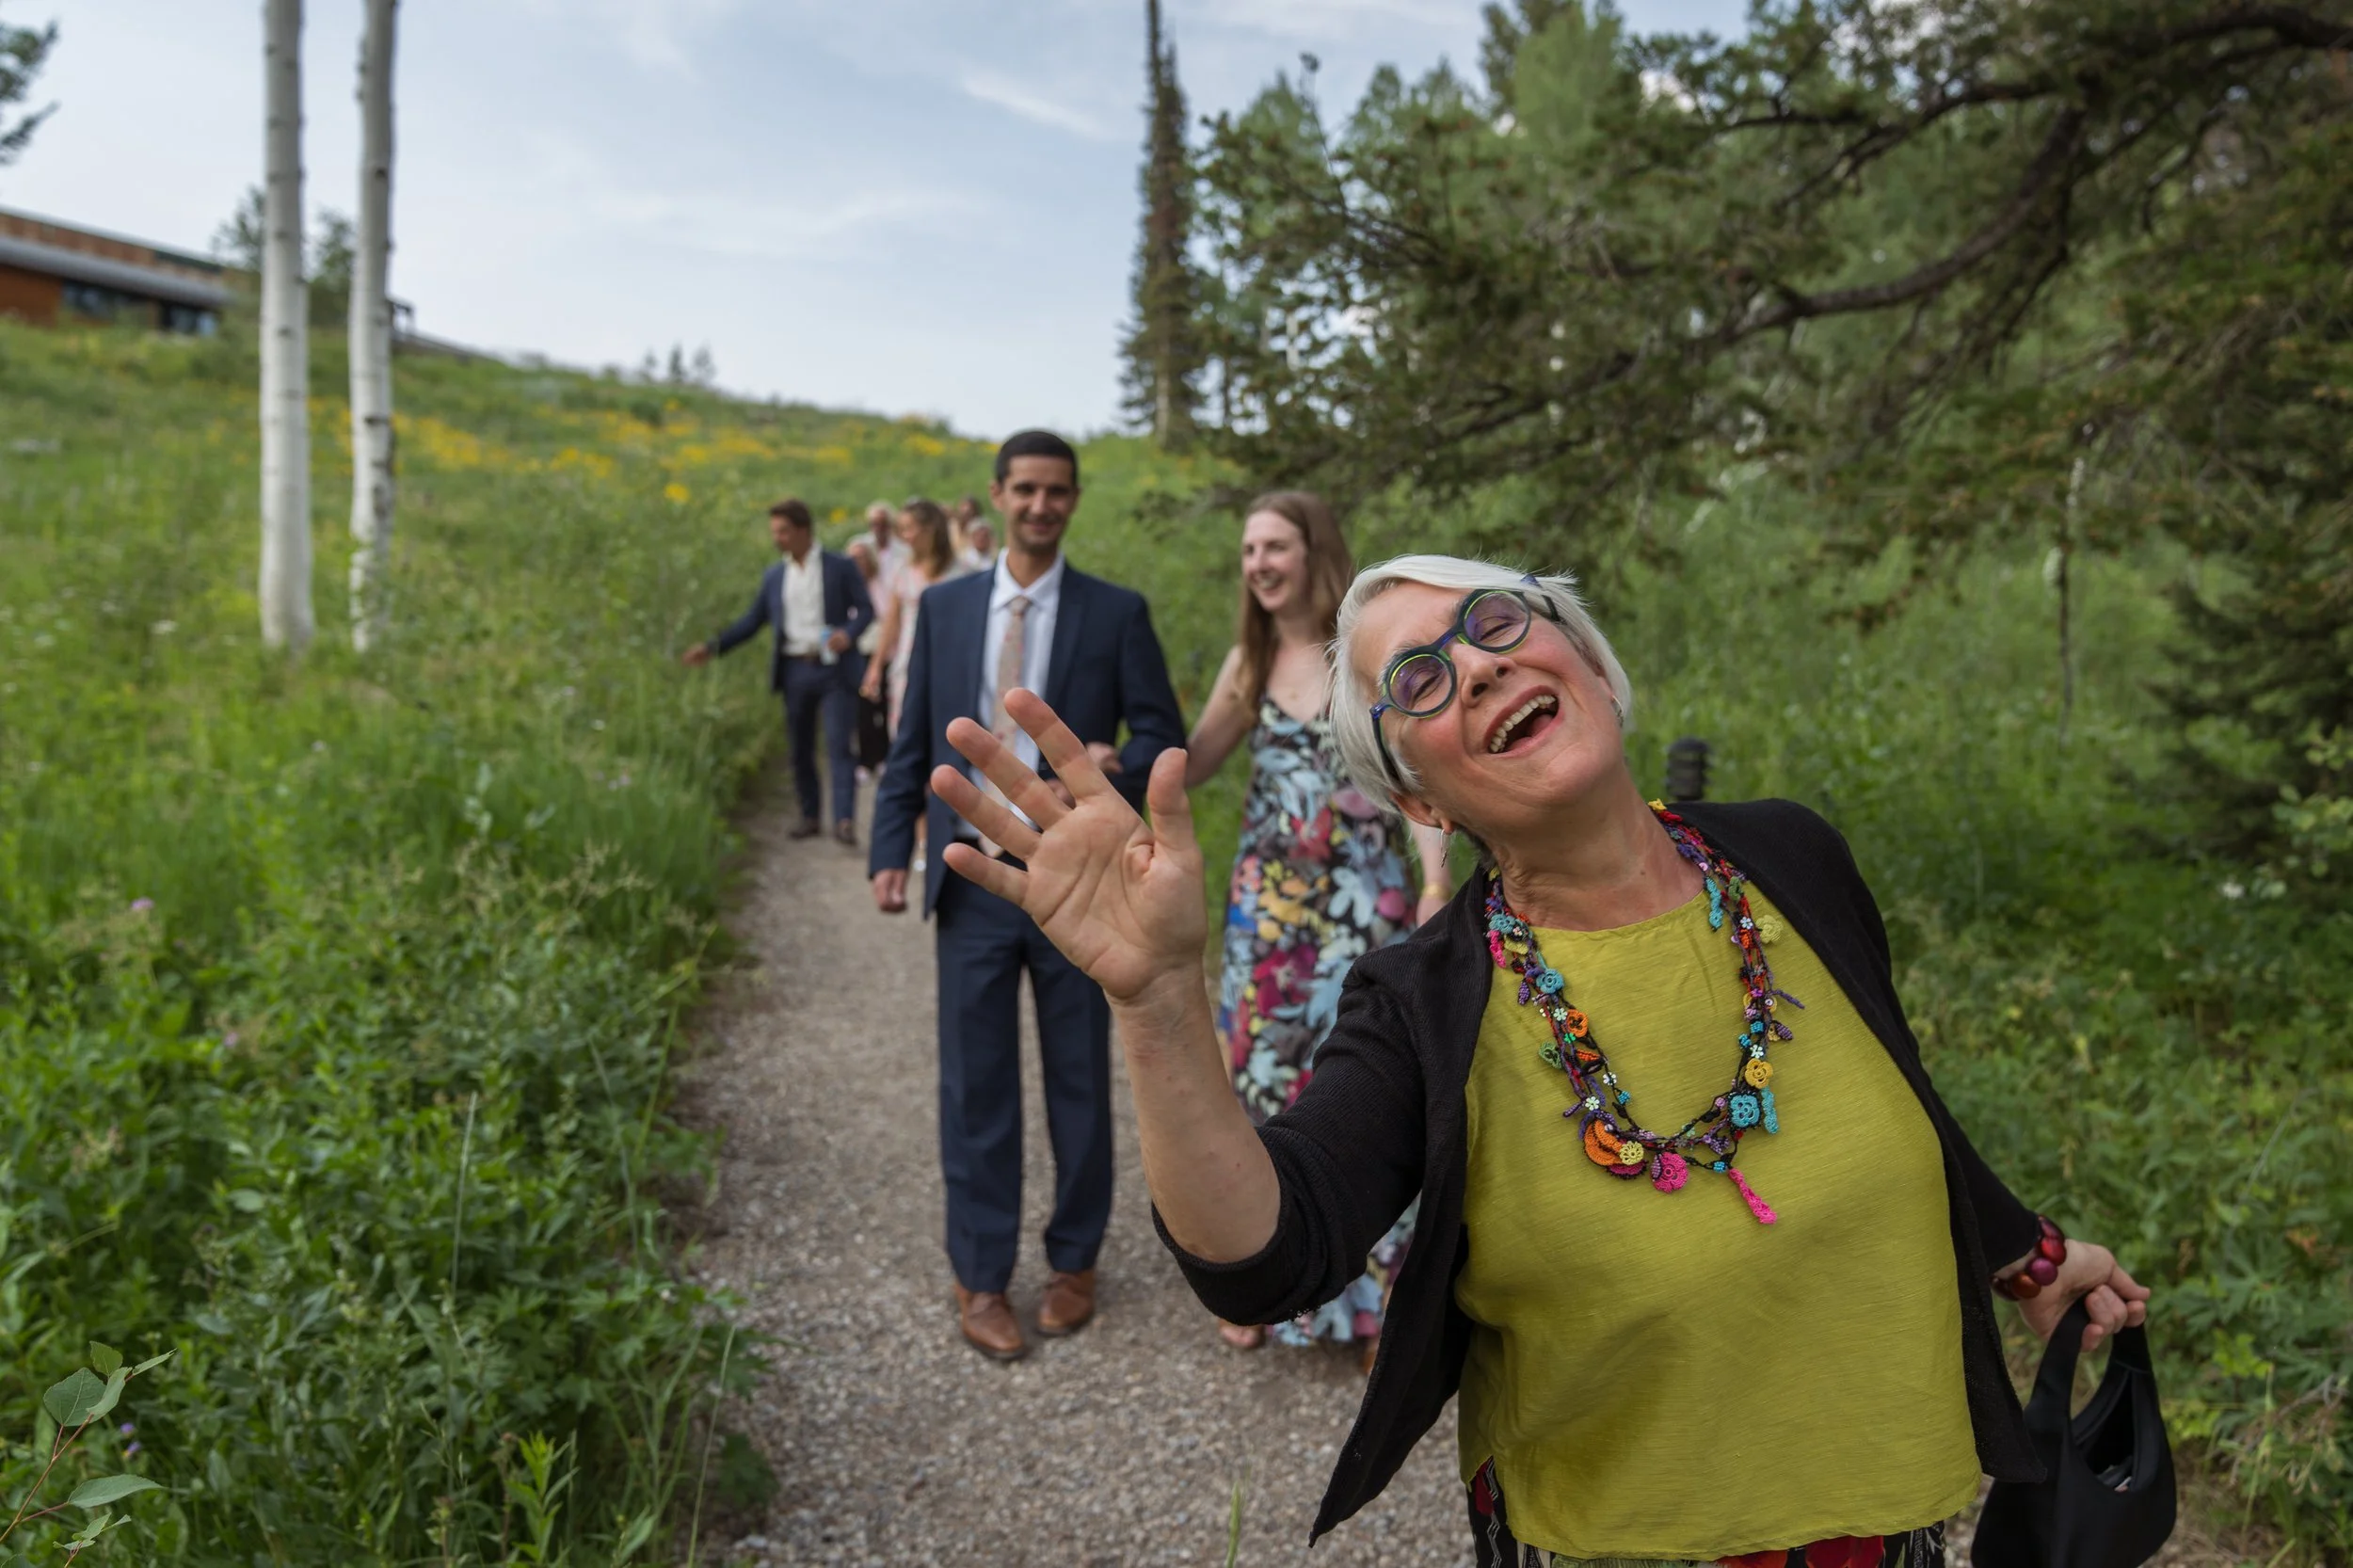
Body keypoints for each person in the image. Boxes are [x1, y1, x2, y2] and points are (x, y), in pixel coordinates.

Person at [919, 553, 2153, 1562]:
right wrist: (1156, 1002)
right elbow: (1267, 1260)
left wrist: (2028, 1255)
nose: (1474, 662)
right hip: (1612, 1542)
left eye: (1497, 619)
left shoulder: (1793, 855)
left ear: (1582, 659)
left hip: (1887, 1526)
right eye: (1416, 677)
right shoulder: (1425, 998)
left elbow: (1892, 1097)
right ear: (1422, 802)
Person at [868, 429, 1186, 1363]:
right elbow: (915, 734)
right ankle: (979, 1277)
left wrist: (1107, 761)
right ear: (997, 496)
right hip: (971, 881)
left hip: (1077, 889)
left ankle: (1075, 1260)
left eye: (1058, 491)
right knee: (974, 1087)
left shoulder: (1116, 611)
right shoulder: (946, 606)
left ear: (1074, 500)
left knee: (1080, 1080)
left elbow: (1160, 729)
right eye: (1026, 489)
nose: (1041, 504)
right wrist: (893, 844)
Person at [1181, 491, 1452, 1360]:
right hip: (1266, 914)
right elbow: (1189, 764)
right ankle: (1264, 1282)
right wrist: (1108, 762)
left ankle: (1377, 1302)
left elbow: (1409, 775)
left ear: (1313, 551)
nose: (1257, 563)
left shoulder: (1364, 660)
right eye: (1248, 550)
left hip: (1358, 904)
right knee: (1260, 1088)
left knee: (1364, 1093)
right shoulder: (1247, 663)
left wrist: (1435, 878)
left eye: (1275, 547)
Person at [683, 499, 875, 844]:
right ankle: (810, 815)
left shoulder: (839, 566)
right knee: (800, 747)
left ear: (804, 530)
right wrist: (713, 647)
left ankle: (844, 820)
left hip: (833, 670)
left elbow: (865, 609)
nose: (778, 538)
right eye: (775, 532)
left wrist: (847, 634)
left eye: (783, 531)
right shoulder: (775, 576)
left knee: (838, 745)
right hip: (794, 670)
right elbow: (753, 621)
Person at [860, 497, 970, 738]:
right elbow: (892, 622)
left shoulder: (961, 572)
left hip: (950, 665)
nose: (904, 536)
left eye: (909, 529)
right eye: (901, 530)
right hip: (908, 661)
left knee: (947, 733)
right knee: (905, 732)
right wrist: (876, 665)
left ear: (930, 528)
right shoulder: (904, 570)